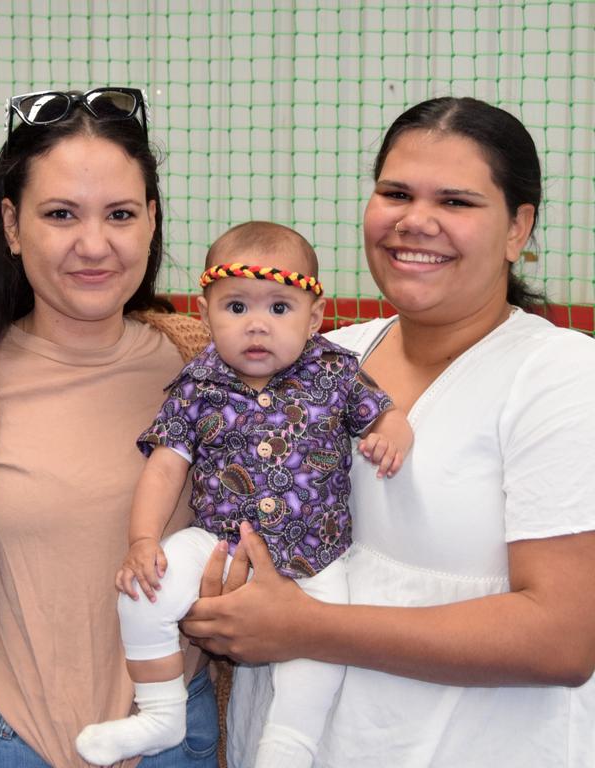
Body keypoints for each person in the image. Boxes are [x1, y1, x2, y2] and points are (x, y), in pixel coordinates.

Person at [182, 97, 595, 767]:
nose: (416, 221)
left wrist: (303, 626)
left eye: (456, 202)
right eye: (396, 192)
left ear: (519, 229)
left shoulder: (561, 377)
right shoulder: (319, 360)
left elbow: (561, 638)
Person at [0, 88, 219, 768]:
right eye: (61, 214)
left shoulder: (205, 366)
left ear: (152, 221)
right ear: (12, 227)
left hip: (171, 736)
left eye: (121, 214)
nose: (94, 243)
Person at [76, 222, 412, 768]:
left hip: (316, 558)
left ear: (315, 316)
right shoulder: (196, 385)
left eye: (280, 308)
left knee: (320, 652)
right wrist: (142, 540)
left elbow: (385, 415)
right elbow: (164, 469)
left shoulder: (336, 373)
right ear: (206, 315)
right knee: (143, 590)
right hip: (218, 546)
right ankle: (160, 712)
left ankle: (287, 748)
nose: (257, 325)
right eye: (236, 308)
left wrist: (392, 432)